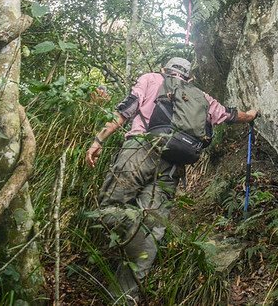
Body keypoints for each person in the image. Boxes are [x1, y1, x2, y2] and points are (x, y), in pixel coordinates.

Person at [85, 57, 258, 303]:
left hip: (139, 150)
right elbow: (229, 115)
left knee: (107, 209)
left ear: (165, 70)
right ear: (189, 77)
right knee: (153, 230)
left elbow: (127, 108)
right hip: (173, 165)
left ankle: (135, 228)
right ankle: (124, 298)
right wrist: (250, 115)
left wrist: (99, 140)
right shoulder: (201, 96)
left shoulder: (151, 78)